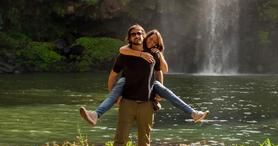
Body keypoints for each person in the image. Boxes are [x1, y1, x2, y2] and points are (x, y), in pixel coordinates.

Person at [79, 28, 208, 127]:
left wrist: (160, 55)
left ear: (157, 44)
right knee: (114, 94)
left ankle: (193, 113)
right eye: (150, 39)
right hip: (128, 79)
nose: (151, 42)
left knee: (170, 94)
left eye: (155, 42)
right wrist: (141, 54)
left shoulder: (154, 53)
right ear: (146, 37)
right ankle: (96, 114)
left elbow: (163, 70)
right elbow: (122, 49)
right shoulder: (134, 48)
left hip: (148, 82)